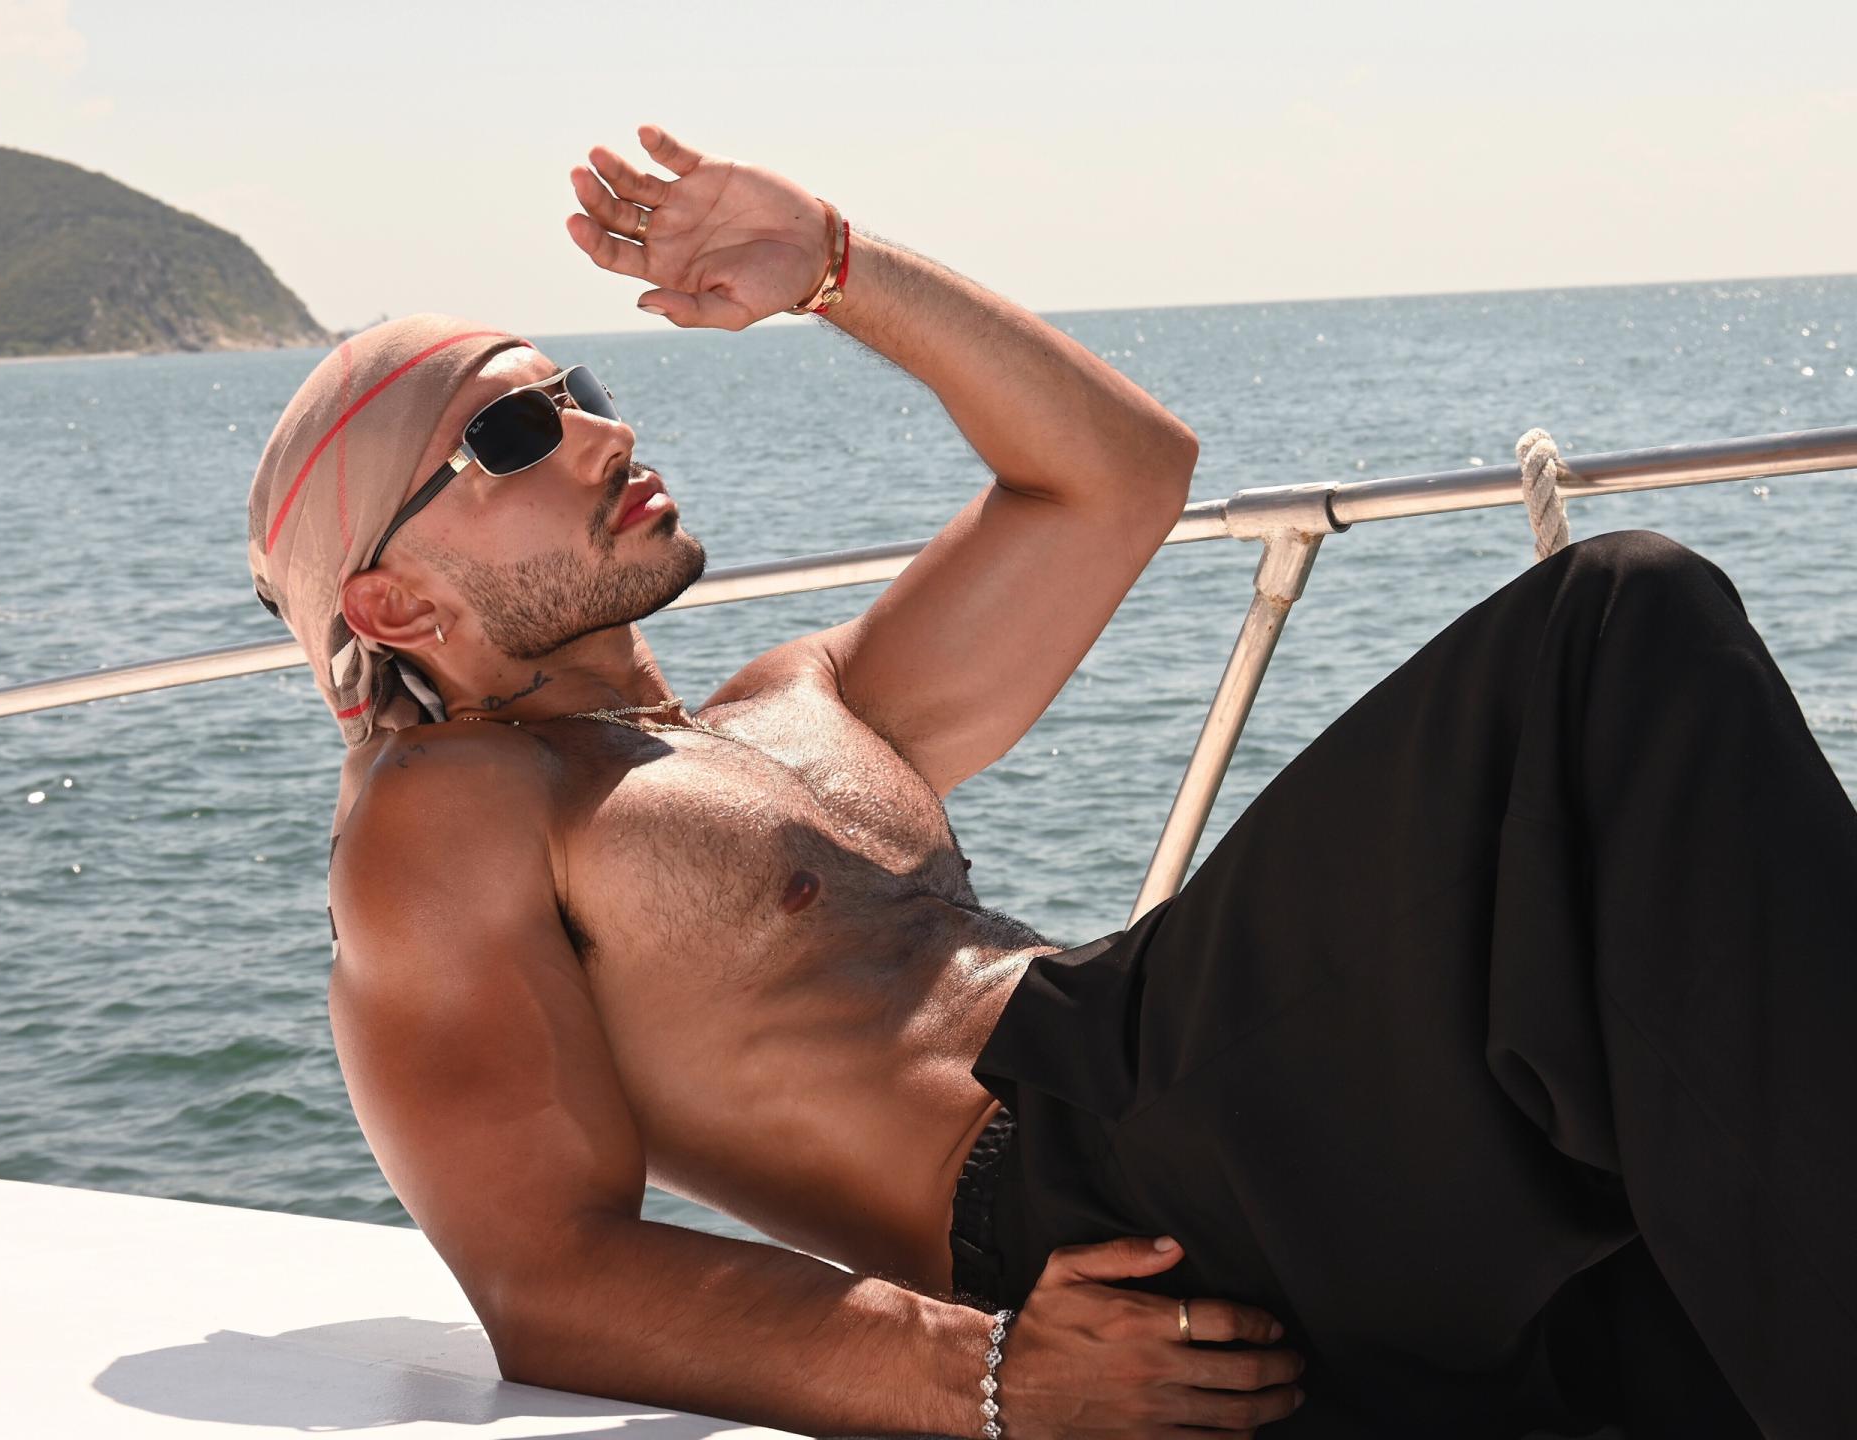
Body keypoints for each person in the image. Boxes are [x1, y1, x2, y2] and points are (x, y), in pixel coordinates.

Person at [244, 126, 1855, 1439]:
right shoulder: (451, 804)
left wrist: (833, 265)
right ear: (391, 605)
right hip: (1077, 1180)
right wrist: (990, 1377)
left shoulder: (798, 701)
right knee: (1611, 622)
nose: (600, 434)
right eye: (513, 435)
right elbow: (545, 1276)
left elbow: (1118, 475)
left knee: (1680, 1235)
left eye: (581, 393)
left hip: (1171, 1094)